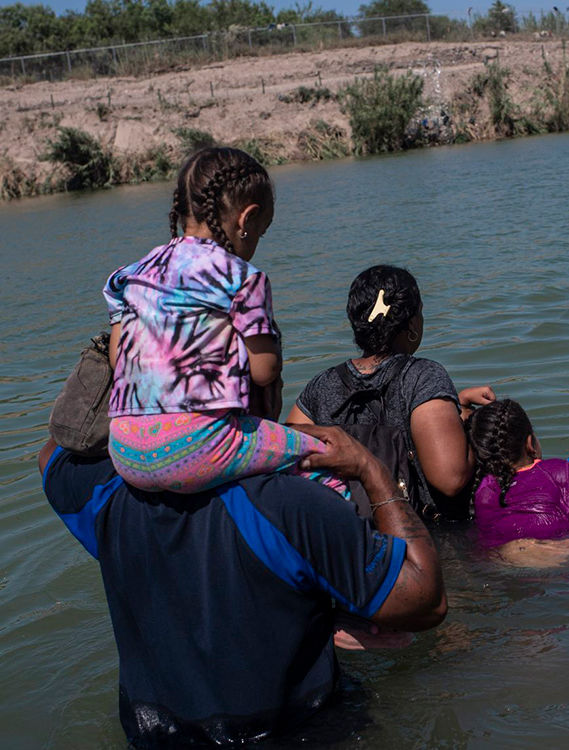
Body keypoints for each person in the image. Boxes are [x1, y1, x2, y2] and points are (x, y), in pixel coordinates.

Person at [37, 423, 446, 745]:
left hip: (156, 735)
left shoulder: (105, 494)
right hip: (295, 732)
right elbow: (425, 602)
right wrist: (370, 470)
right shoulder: (288, 503)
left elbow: (53, 451)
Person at [103, 147, 345, 497]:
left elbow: (118, 360)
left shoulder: (129, 275)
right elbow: (265, 371)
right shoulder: (243, 277)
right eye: (262, 232)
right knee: (328, 462)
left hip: (125, 452)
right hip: (196, 447)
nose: (258, 242)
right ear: (247, 219)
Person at [287, 265, 495, 521]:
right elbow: (449, 479)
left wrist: (455, 401)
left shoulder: (321, 385)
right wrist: (466, 417)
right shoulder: (423, 377)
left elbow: (287, 461)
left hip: (348, 538)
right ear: (411, 325)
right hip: (417, 544)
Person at [466, 399, 569, 548]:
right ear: (530, 443)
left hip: (503, 560)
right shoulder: (557, 471)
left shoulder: (482, 491)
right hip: (557, 552)